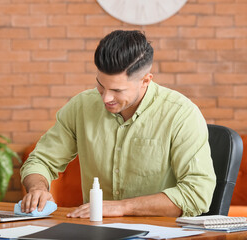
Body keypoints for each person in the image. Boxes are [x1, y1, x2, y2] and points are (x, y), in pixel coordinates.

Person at [20, 30, 216, 218]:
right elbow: (41, 161)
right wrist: (38, 188)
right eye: (100, 85)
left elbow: (197, 194)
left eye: (117, 90)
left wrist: (123, 207)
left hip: (159, 232)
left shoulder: (181, 114)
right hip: (96, 231)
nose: (106, 98)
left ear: (145, 80)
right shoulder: (81, 106)